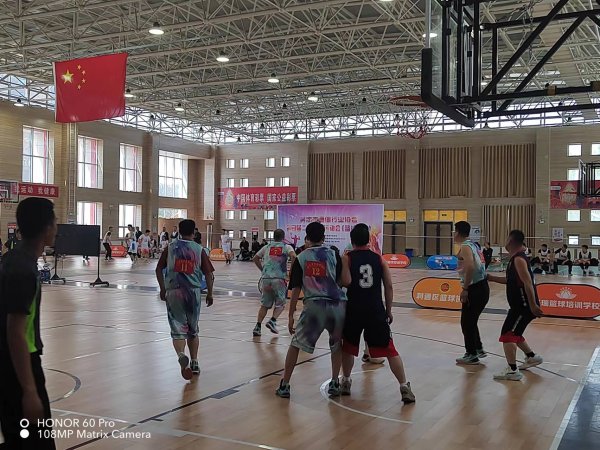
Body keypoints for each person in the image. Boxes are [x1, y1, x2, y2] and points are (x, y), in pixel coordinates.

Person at [0, 197, 58, 449]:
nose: (56, 228)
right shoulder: (22, 270)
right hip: (19, 367)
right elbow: (15, 331)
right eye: (54, 223)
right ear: (46, 228)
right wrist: (29, 390)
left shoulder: (13, 260)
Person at [340, 224, 415, 403]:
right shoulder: (379, 258)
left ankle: (346, 381)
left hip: (353, 310)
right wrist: (388, 310)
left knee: (348, 347)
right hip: (375, 309)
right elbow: (388, 286)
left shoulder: (347, 258)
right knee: (390, 350)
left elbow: (345, 282)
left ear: (352, 240)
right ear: (368, 240)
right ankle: (404, 386)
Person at [276, 222, 346, 398]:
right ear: (324, 237)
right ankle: (335, 382)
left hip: (314, 307)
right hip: (337, 306)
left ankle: (285, 385)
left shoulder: (301, 258)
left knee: (295, 345)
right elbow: (341, 281)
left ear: (306, 237)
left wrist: (291, 315)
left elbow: (296, 290)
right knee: (336, 345)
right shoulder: (334, 254)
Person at [155, 219, 215, 380]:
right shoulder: (199, 249)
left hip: (174, 292)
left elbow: (158, 269)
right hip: (193, 293)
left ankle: (181, 355)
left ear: (179, 232)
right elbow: (208, 274)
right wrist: (210, 293)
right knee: (193, 330)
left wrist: (162, 288)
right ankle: (194, 362)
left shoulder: (170, 247)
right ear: (194, 232)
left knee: (178, 330)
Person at [487, 230, 543, 381]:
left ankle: (512, 370)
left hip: (523, 306)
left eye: (506, 238)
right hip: (521, 306)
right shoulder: (515, 259)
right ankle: (531, 357)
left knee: (507, 334)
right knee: (515, 332)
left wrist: (532, 305)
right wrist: (491, 278)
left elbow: (528, 283)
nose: (505, 242)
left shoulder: (518, 259)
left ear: (511, 241)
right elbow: (511, 280)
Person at [454, 221, 490, 365]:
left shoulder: (465, 246)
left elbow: (470, 267)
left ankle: (471, 354)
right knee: (471, 320)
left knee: (466, 322)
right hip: (482, 286)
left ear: (457, 232)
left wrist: (465, 289)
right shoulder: (474, 245)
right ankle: (478, 348)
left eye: (454, 231)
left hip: (475, 288)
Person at [252, 229, 296, 336]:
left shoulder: (266, 247)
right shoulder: (286, 247)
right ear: (283, 237)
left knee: (264, 305)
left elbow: (255, 258)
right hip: (279, 279)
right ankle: (272, 320)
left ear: (273, 237)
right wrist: (291, 271)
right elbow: (294, 256)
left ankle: (257, 327)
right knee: (281, 304)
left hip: (266, 279)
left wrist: (262, 269)